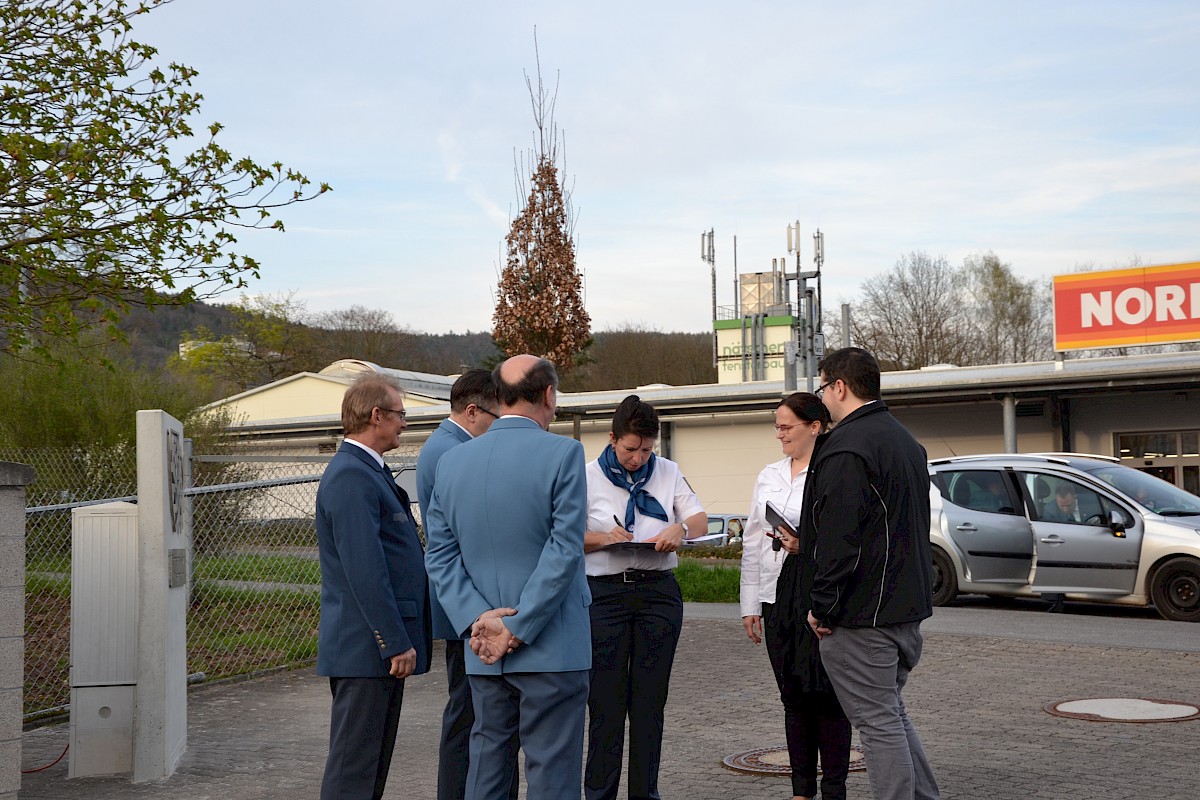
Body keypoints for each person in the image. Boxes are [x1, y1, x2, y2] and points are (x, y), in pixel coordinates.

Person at [424, 355, 591, 800]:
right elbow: (564, 550)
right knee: (552, 776)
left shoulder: (452, 462)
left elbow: (439, 555)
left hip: (481, 648)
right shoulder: (564, 453)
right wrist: (516, 626)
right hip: (552, 646)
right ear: (550, 396)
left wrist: (480, 617)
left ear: (497, 396)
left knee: (487, 770)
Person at [803, 347, 940, 800]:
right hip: (906, 609)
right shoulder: (905, 440)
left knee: (878, 723)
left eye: (822, 386)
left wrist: (822, 606)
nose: (821, 396)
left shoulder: (847, 447)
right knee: (890, 713)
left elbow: (840, 540)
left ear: (839, 387)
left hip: (864, 616)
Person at [582, 395, 707, 800]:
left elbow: (700, 519)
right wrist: (604, 538)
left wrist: (681, 531)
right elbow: (563, 538)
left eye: (647, 449)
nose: (638, 458)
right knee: (605, 705)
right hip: (604, 596)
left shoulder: (668, 471)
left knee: (650, 704)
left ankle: (645, 794)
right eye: (630, 449)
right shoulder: (585, 477)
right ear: (612, 439)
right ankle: (599, 793)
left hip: (657, 595)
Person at [315, 373, 432, 800]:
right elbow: (364, 569)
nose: (404, 423)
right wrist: (393, 640)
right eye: (400, 414)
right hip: (366, 648)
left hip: (372, 649)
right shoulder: (351, 475)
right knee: (353, 770)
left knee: (370, 767)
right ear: (376, 415)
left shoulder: (368, 471)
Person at [740, 392, 851, 800]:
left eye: (787, 426)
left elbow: (847, 537)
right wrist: (750, 605)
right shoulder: (769, 474)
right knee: (792, 696)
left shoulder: (834, 471)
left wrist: (808, 545)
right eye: (777, 426)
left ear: (815, 427)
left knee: (828, 696)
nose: (779, 434)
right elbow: (753, 542)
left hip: (820, 595)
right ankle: (800, 790)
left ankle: (834, 788)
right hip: (776, 594)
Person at [416, 369, 518, 800]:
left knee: (469, 712)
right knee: (467, 715)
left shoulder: (448, 446)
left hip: (465, 605)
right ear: (473, 411)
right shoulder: (449, 452)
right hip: (467, 608)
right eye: (496, 417)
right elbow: (457, 539)